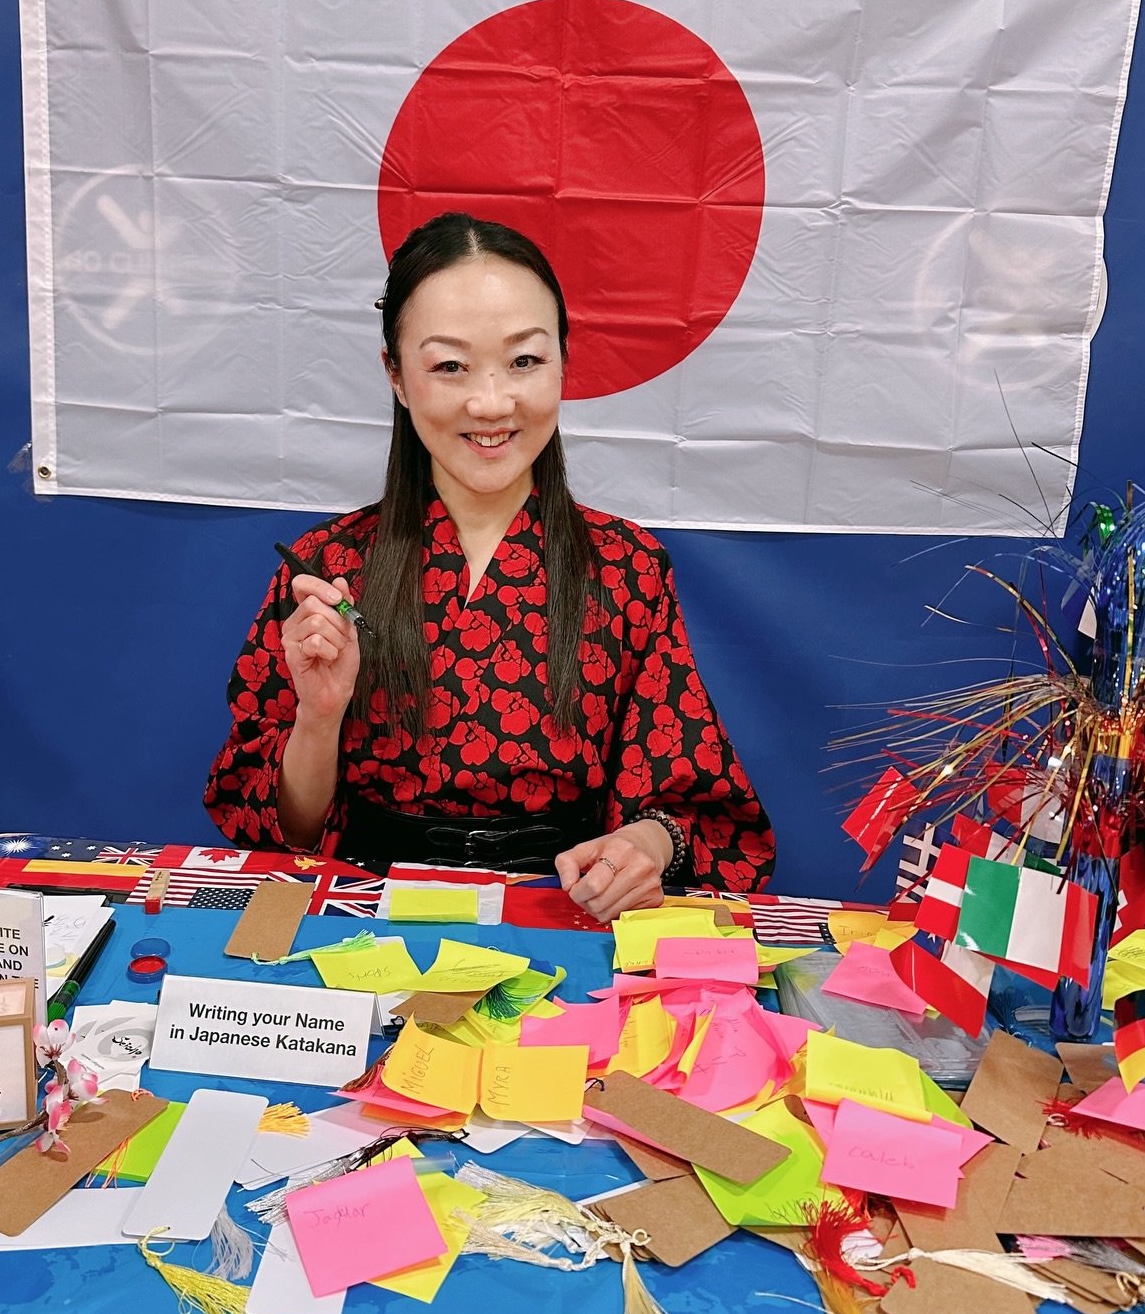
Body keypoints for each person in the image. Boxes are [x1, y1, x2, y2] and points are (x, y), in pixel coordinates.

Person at [205, 212, 774, 920]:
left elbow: (696, 812)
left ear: (564, 361)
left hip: (565, 917)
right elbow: (277, 831)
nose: (492, 402)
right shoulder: (329, 571)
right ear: (397, 376)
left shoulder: (627, 569)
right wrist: (319, 720)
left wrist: (645, 846)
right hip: (363, 920)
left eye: (525, 361)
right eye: (449, 365)